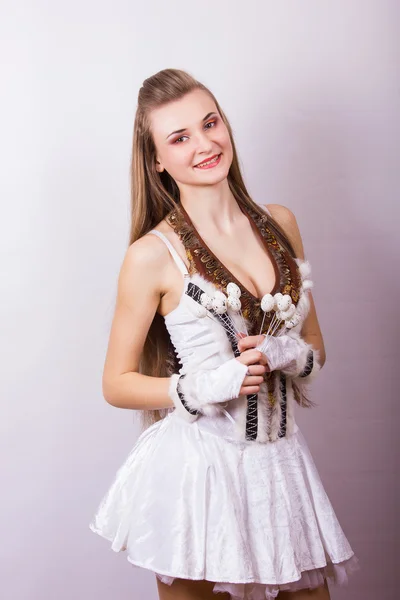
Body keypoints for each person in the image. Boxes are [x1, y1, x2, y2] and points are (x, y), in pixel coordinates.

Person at [89, 68, 359, 600]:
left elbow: (317, 347)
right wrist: (199, 388)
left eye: (210, 123)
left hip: (283, 465)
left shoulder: (281, 222)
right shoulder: (150, 256)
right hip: (198, 477)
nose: (205, 144)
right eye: (180, 137)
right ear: (156, 161)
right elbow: (115, 383)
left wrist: (287, 353)